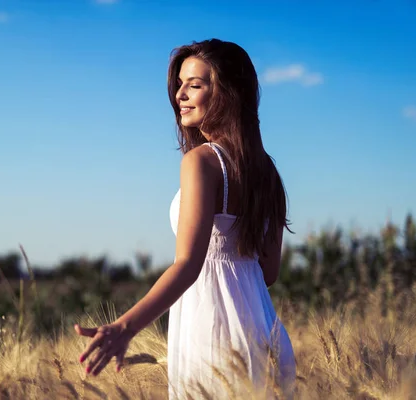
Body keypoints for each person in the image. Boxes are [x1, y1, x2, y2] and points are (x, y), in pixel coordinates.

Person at [74, 38, 296, 399]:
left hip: (212, 339)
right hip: (264, 335)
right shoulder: (266, 171)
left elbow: (189, 265)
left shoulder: (202, 162)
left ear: (228, 93)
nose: (180, 94)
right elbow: (267, 273)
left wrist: (125, 327)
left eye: (195, 84)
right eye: (179, 84)